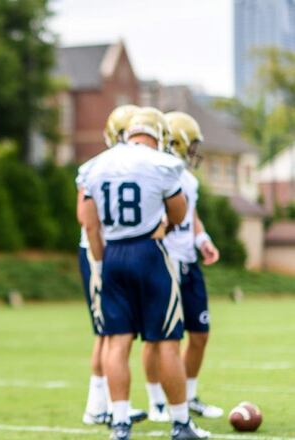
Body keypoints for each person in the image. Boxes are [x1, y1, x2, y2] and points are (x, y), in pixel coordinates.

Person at [81, 107, 210, 439]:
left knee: (117, 342)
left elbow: (90, 224)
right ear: (160, 135)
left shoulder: (96, 165)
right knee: (166, 341)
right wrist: (161, 228)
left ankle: (119, 422)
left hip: (112, 254)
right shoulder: (162, 163)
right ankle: (180, 422)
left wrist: (102, 262)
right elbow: (179, 214)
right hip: (149, 253)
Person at [143, 112, 223, 422]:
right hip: (166, 261)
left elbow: (191, 216)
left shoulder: (187, 178)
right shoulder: (157, 173)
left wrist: (203, 240)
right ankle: (156, 402)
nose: (194, 153)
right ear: (176, 142)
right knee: (159, 337)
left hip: (189, 262)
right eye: (191, 146)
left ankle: (188, 397)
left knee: (200, 333)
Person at [77, 105, 147, 425]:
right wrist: (102, 258)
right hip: (100, 252)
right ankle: (96, 406)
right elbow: (86, 218)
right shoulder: (98, 166)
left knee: (117, 332)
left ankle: (106, 402)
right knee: (108, 331)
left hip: (113, 253)